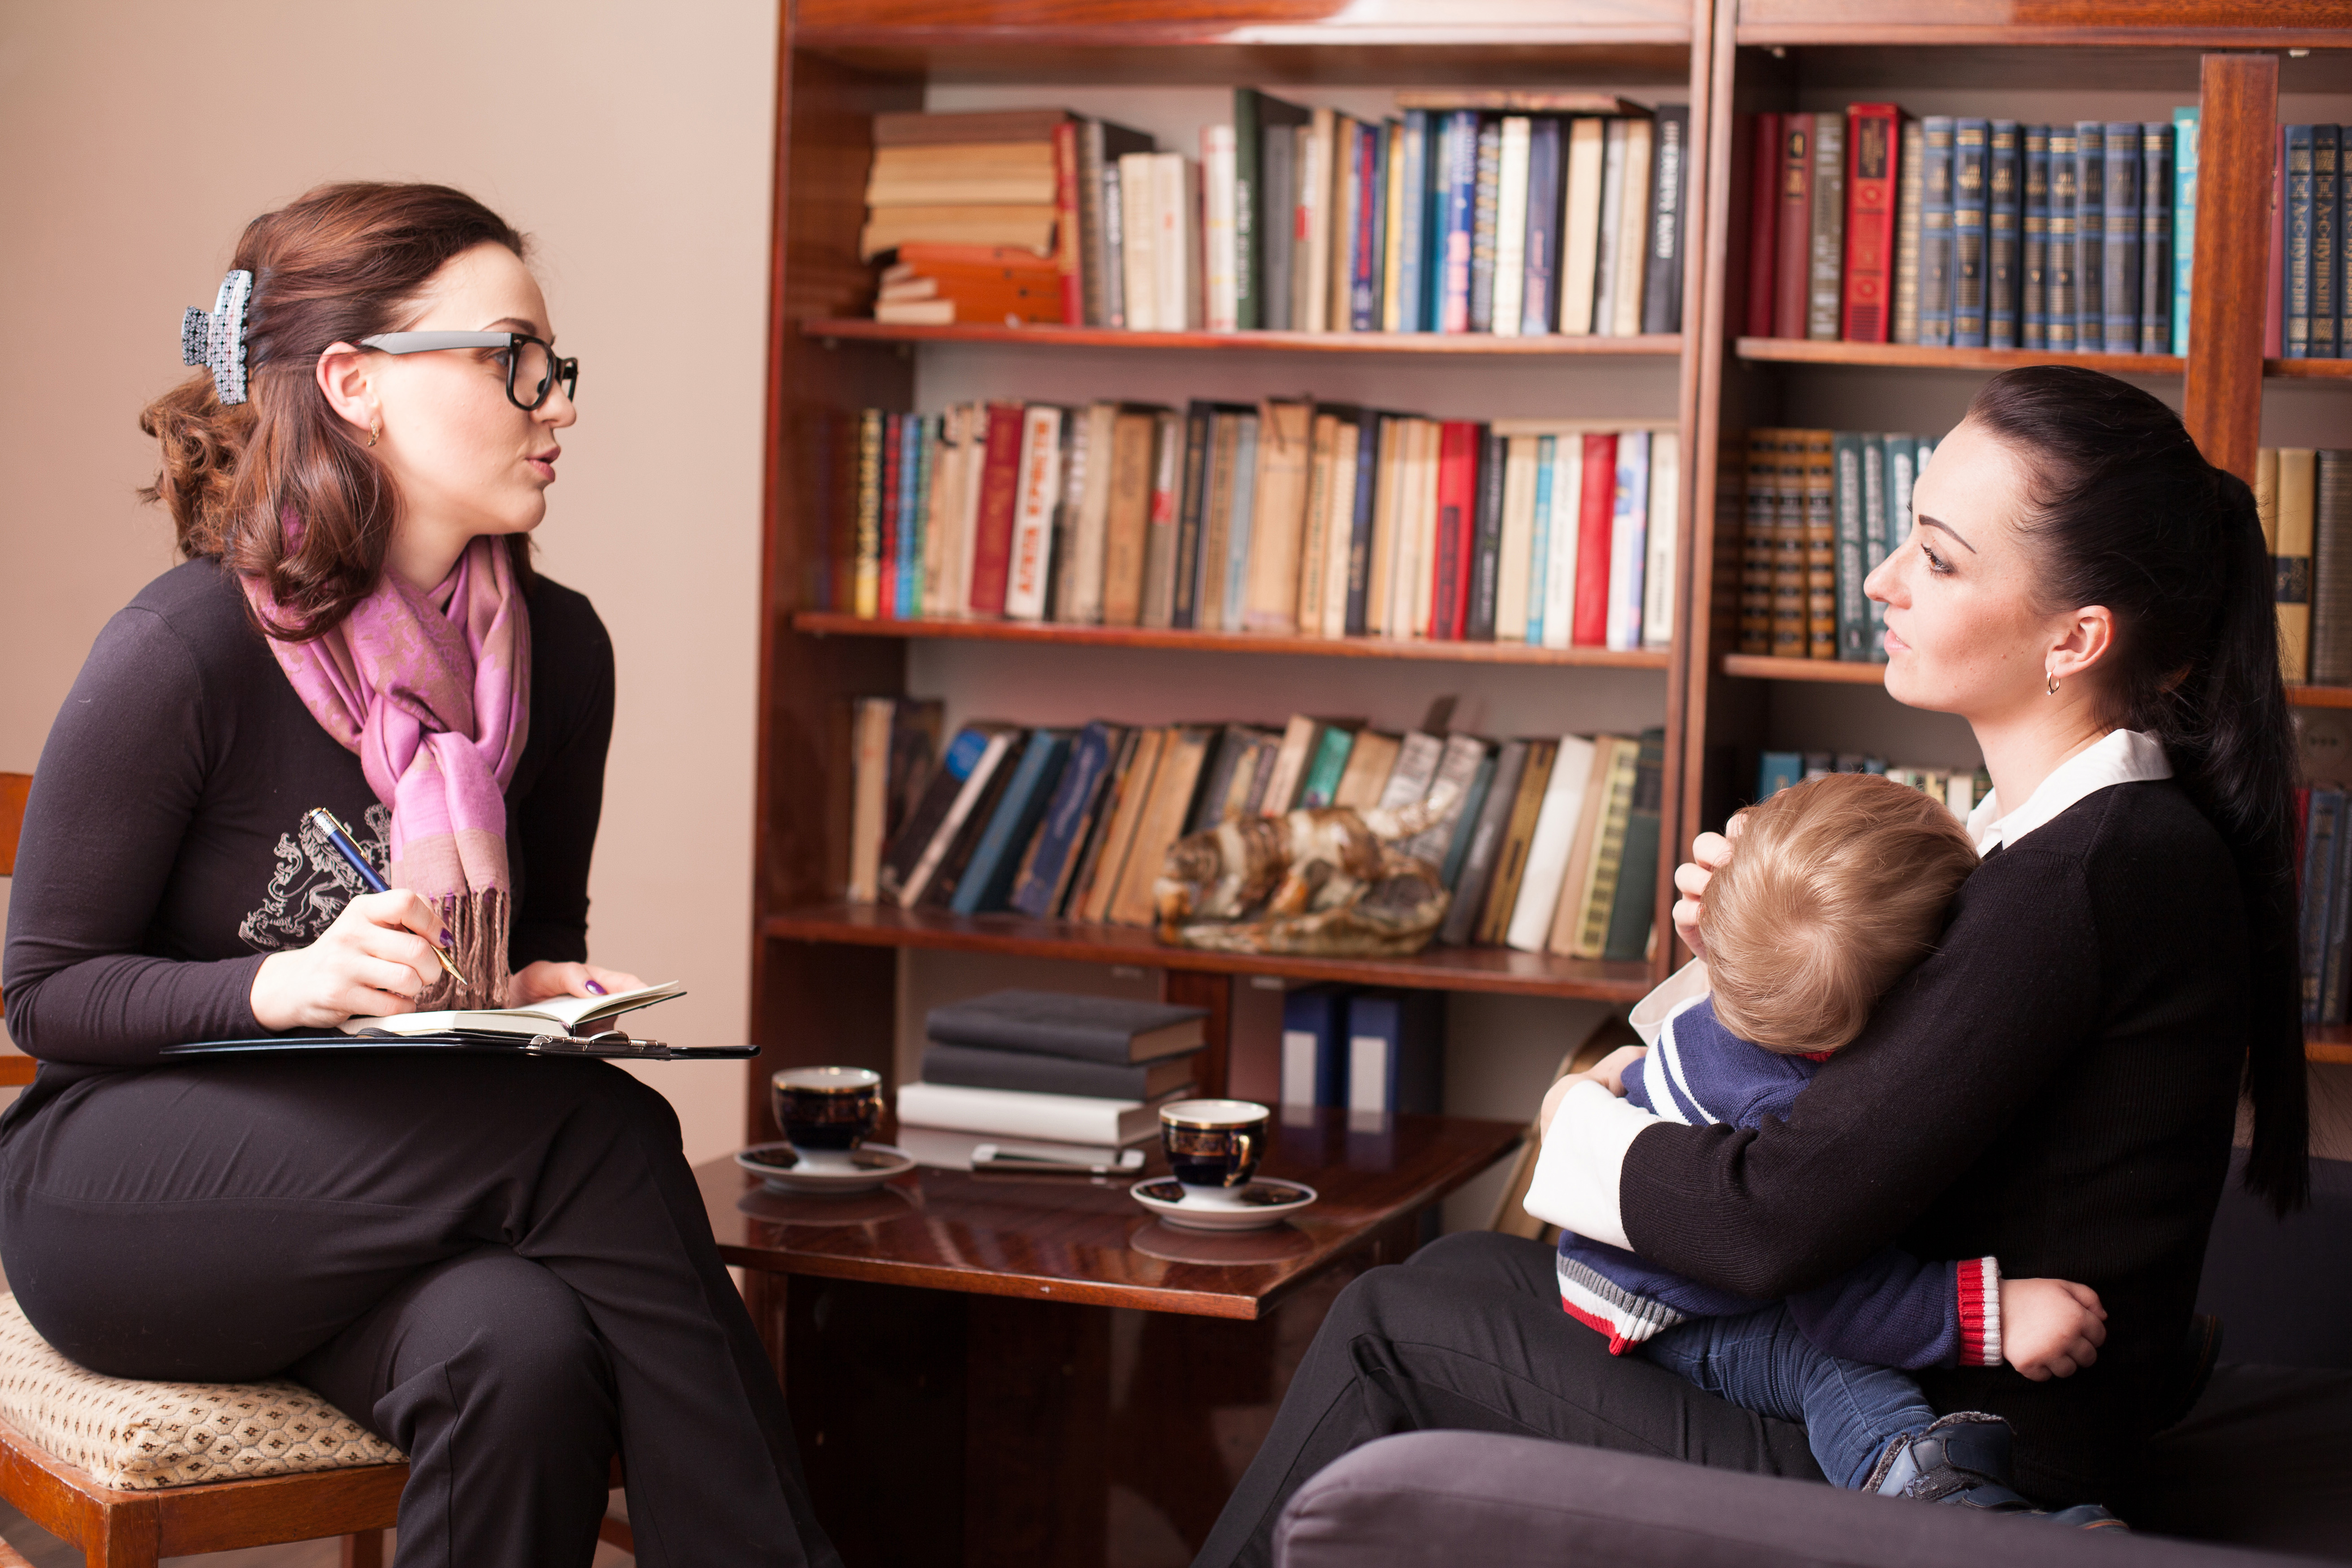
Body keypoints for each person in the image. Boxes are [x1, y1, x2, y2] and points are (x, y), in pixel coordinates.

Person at [1189, 365, 2307, 1568]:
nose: (1880, 581)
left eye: (1934, 559)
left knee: (1384, 1328)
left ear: (2072, 639)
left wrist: (1577, 1130)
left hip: (1934, 1446)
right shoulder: (2050, 842)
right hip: (1899, 1366)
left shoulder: (2085, 872)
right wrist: (1742, 955)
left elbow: (1775, 1220)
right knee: (1459, 1270)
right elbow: (1862, 1097)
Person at [0, 183, 838, 1568]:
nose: (555, 403)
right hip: (127, 1194)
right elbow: (44, 996)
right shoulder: (184, 649)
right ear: (354, 385)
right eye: (512, 359)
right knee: (603, 1134)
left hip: (408, 1174)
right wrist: (291, 982)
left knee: (516, 1349)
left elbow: (532, 946)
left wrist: (536, 985)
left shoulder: (559, 656)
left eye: (553, 367)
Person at [1536, 770, 2112, 1520]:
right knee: (1830, 1365)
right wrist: (1992, 1313)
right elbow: (1840, 1304)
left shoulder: (1744, 994)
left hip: (1630, 1244)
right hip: (1667, 1310)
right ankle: (1936, 1503)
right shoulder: (1793, 1113)